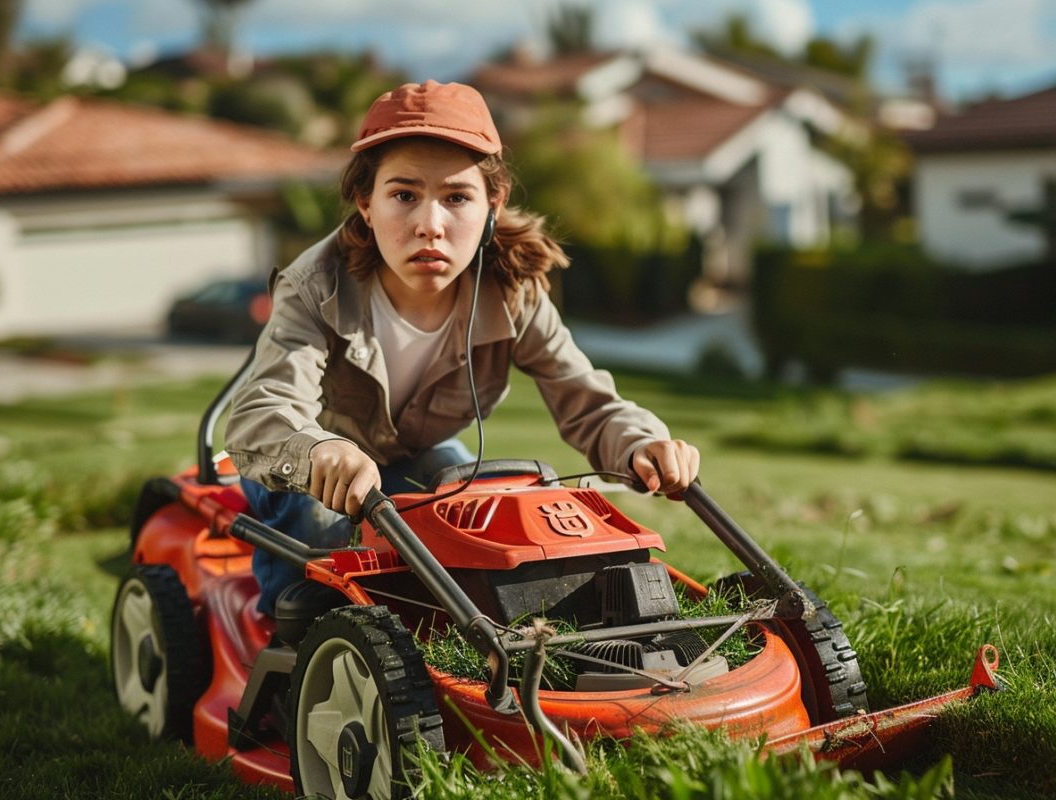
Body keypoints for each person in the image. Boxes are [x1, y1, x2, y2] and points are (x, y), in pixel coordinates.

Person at [225, 80, 700, 615]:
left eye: (456, 197)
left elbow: (584, 397)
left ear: (492, 204)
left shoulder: (512, 290)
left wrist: (642, 444)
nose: (430, 226)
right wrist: (317, 451)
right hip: (310, 471)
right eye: (404, 195)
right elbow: (262, 411)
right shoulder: (314, 285)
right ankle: (291, 637)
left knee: (479, 505)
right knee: (321, 526)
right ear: (366, 202)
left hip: (414, 458)